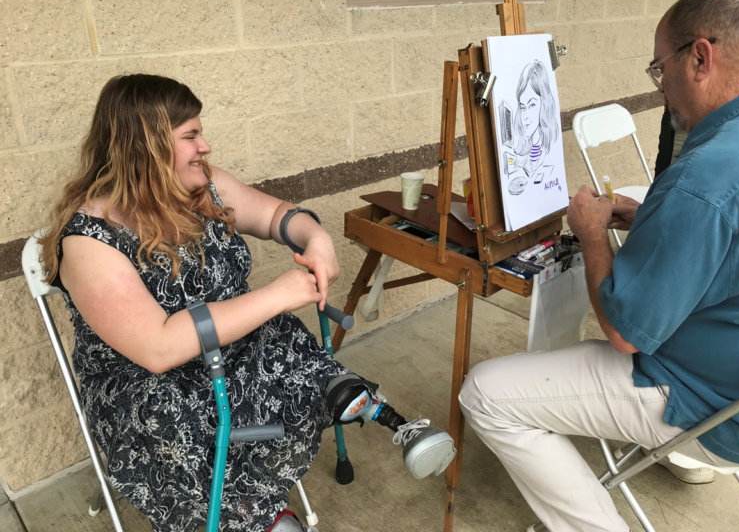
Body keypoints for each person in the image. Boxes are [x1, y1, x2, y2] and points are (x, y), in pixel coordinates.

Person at [39, 74, 456, 532]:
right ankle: (254, 515)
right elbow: (157, 348)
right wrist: (276, 294)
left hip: (230, 348)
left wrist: (314, 237)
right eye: (191, 136)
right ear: (147, 146)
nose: (206, 147)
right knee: (191, 429)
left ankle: (378, 414)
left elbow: (276, 215)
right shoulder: (89, 241)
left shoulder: (203, 187)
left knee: (286, 348)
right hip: (150, 386)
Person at [459, 0, 739, 532]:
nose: (662, 87)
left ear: (700, 57)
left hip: (719, 406)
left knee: (485, 393)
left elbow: (624, 335)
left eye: (659, 69)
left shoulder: (706, 179)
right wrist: (655, 214)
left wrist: (594, 236)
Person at [512, 59, 559, 176]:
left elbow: (537, 166)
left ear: (544, 103)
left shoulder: (547, 145)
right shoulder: (532, 140)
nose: (525, 117)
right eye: (523, 107)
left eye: (532, 105)